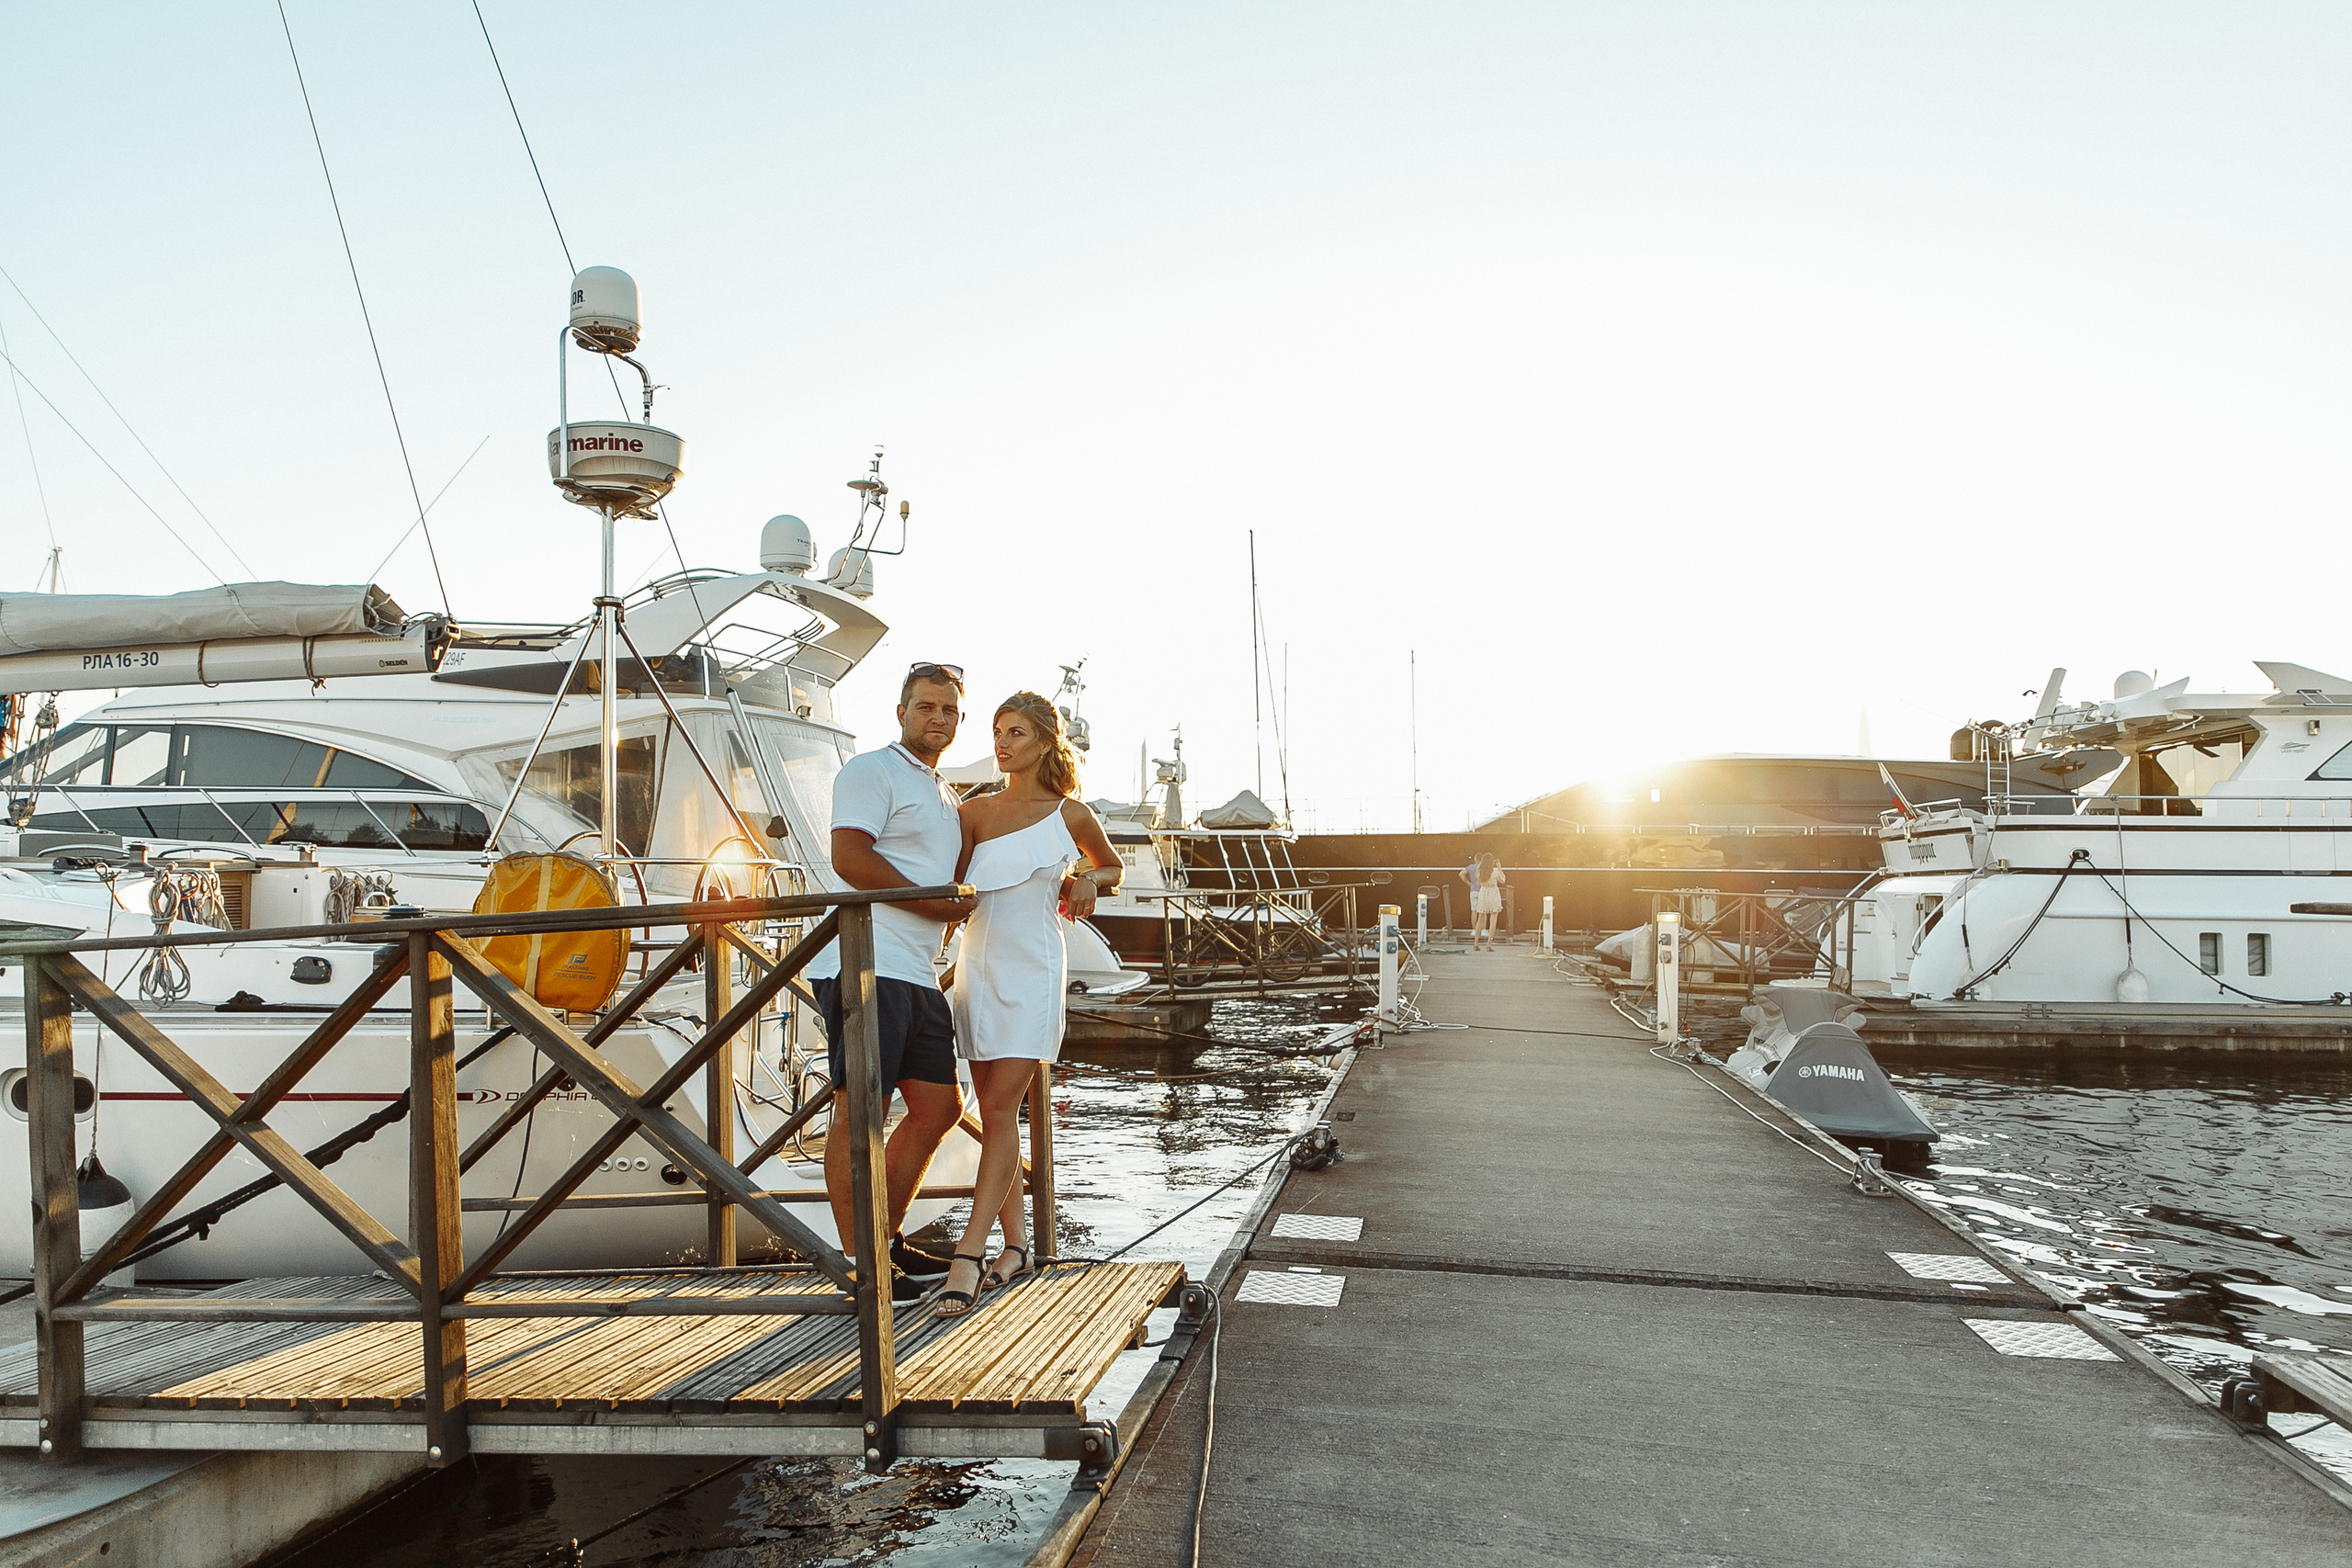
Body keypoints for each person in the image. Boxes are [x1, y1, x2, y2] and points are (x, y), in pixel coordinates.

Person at [933, 693, 1122, 1318]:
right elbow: (951, 897)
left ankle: (968, 1252)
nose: (1003, 742)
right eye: (997, 731)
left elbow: (1113, 866)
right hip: (976, 971)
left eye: (1016, 731)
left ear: (1045, 742)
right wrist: (930, 964)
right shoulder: (974, 813)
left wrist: (1088, 879)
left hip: (1036, 970)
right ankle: (1017, 1246)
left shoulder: (1071, 814)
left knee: (998, 1105)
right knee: (995, 1117)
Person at [809, 662, 979, 1299]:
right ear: (902, 711)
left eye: (949, 710)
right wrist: (936, 905)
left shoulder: (946, 796)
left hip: (915, 971)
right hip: (864, 960)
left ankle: (884, 1239)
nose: (937, 717)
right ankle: (861, 1266)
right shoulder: (870, 771)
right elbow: (849, 857)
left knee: (940, 1108)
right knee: (863, 1111)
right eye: (926, 706)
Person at [1463, 852, 1507, 951]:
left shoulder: (1480, 872)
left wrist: (1482, 863)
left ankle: (1476, 943)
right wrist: (1499, 867)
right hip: (1493, 893)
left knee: (1480, 919)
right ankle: (1489, 944)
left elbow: (1478, 872)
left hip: (1483, 892)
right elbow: (1503, 880)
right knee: (1493, 920)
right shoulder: (1495, 872)